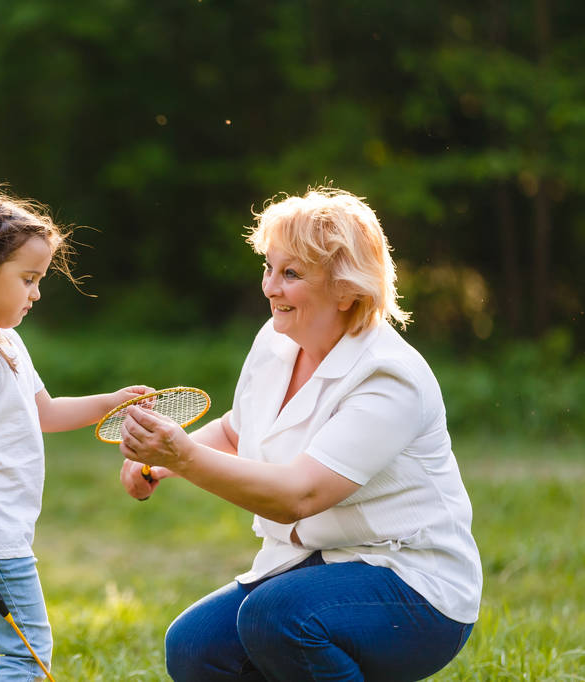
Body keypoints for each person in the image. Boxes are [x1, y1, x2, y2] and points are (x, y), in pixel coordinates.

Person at [118, 187, 482, 681]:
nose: (270, 287)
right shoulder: (275, 340)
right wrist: (158, 462)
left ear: (347, 289)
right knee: (194, 647)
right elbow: (236, 429)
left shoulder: (388, 377)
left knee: (276, 616)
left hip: (415, 588)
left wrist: (182, 456)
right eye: (269, 268)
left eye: (291, 274)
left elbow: (299, 495)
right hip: (312, 565)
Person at [0, 187, 150, 681]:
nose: (37, 293)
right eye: (28, 279)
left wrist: (110, 402)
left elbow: (43, 412)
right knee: (28, 653)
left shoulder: (4, 341)